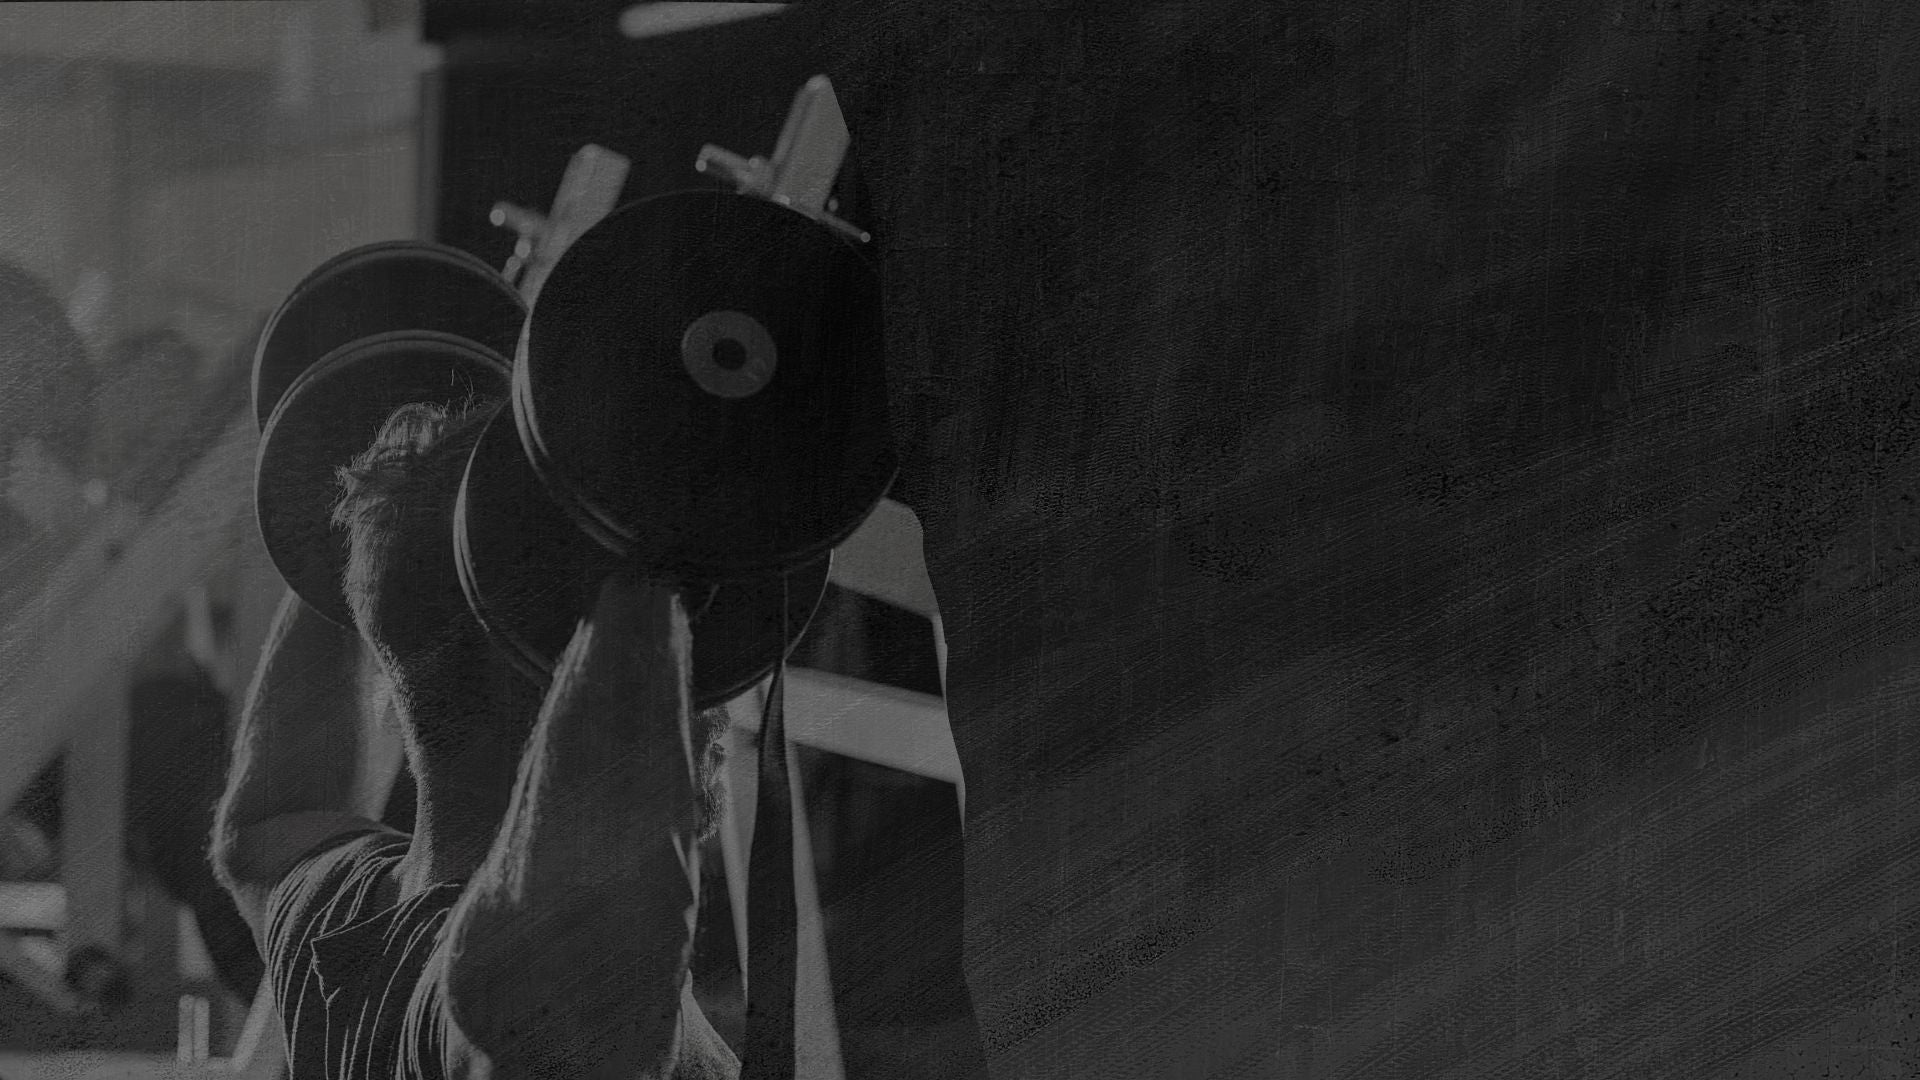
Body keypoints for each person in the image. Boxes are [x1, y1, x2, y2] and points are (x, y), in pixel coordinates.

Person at [211, 398, 740, 1079]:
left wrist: (363, 524)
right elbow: (546, 985)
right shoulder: (538, 989)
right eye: (689, 629)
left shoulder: (335, 918)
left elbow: (265, 824)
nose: (715, 692)